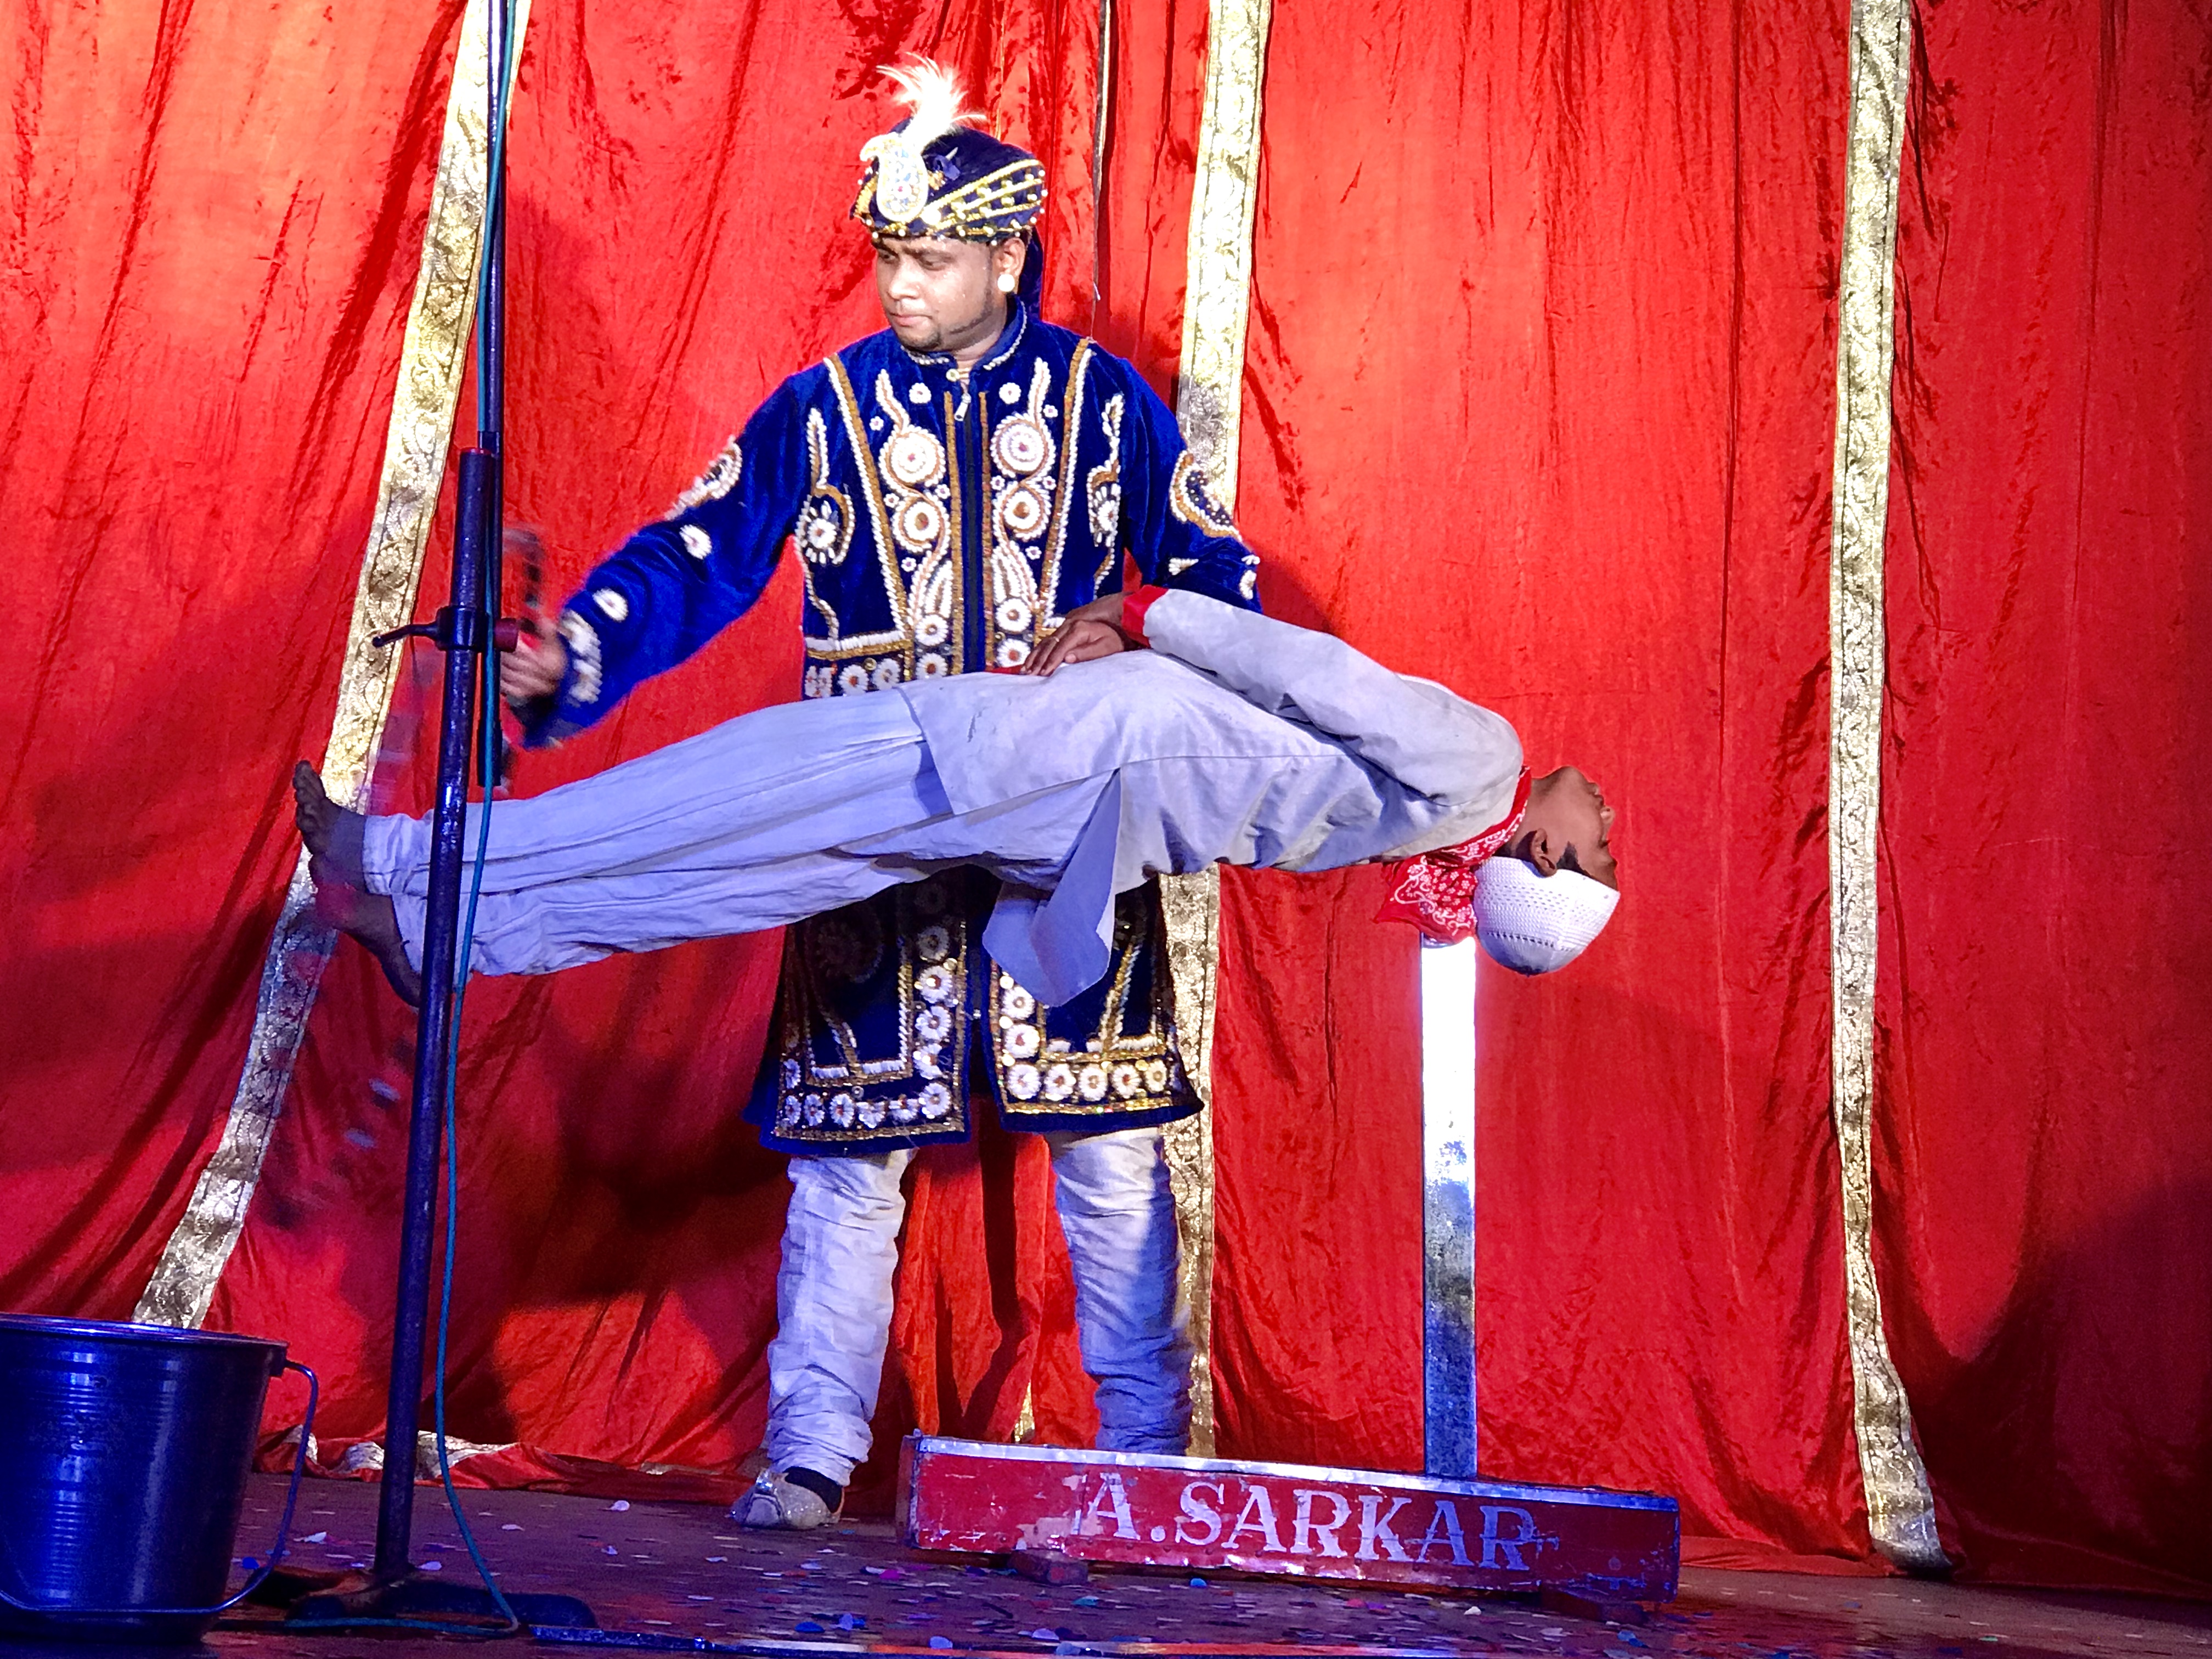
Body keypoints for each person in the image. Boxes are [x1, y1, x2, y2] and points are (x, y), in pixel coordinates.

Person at [477, 58, 1267, 1530]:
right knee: (850, 1157)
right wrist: (573, 647)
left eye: (936, 256)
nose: (905, 283)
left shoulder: (1111, 405)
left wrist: (1137, 619)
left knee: (1106, 1151)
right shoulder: (821, 406)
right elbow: (694, 556)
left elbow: (1224, 576)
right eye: (892, 254)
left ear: (1008, 254)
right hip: (873, 825)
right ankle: (808, 1455)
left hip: (1067, 822)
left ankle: (1152, 1468)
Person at [298, 586, 1620, 1034]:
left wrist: (1136, 608)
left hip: (1055, 749)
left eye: (1601, 838)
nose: (1609, 805)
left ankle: (403, 851)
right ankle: (457, 943)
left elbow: (1314, 673)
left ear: (1543, 850)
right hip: (1072, 824)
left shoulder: (1488, 766)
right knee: (779, 871)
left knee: (731, 790)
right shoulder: (1426, 835)